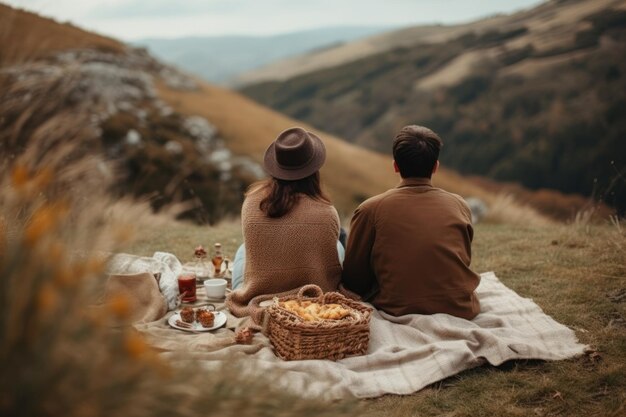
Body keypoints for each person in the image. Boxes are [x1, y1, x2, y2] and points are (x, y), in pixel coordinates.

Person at [341, 125, 480, 320]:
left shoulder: (370, 209)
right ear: (435, 166)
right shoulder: (460, 205)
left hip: (396, 308)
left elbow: (354, 280)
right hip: (460, 308)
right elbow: (462, 259)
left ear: (395, 166)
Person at [226, 127, 344, 321]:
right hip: (310, 296)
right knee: (338, 244)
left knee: (242, 249)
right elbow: (330, 271)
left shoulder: (252, 201)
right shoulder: (327, 212)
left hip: (258, 294)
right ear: (314, 168)